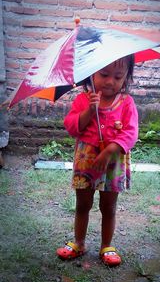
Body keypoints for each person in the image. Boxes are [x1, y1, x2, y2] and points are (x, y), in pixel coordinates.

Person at [56, 54, 138, 266]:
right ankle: (79, 242)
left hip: (113, 162)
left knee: (108, 207)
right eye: (104, 74)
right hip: (87, 161)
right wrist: (89, 111)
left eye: (118, 76)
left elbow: (131, 133)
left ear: (127, 76)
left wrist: (112, 147)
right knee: (83, 203)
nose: (111, 81)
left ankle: (106, 246)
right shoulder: (83, 99)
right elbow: (72, 126)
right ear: (91, 72)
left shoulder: (127, 103)